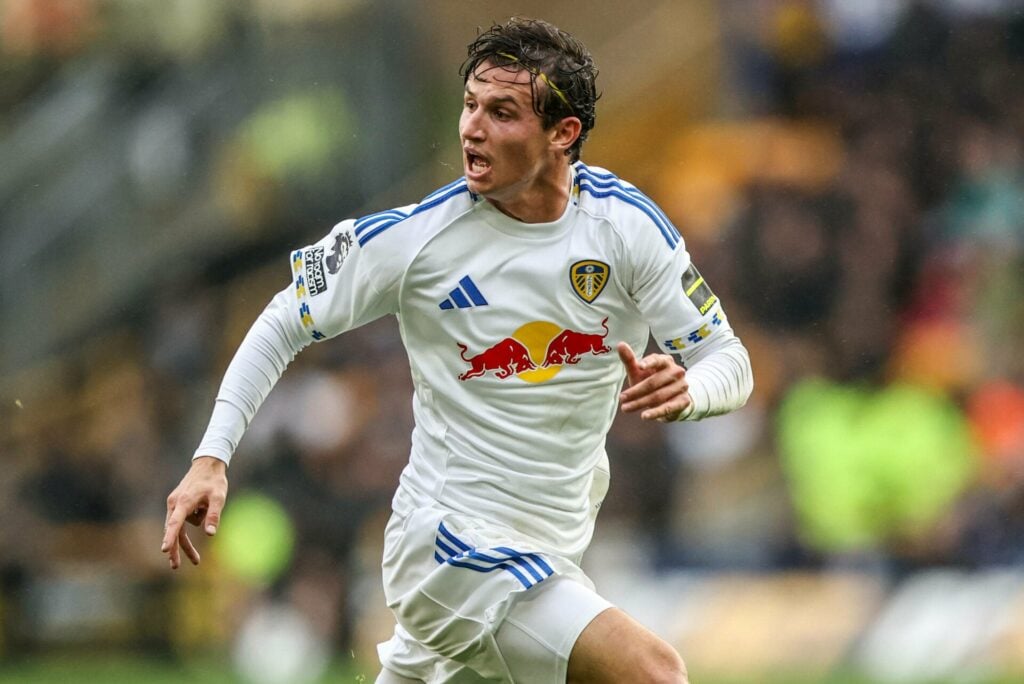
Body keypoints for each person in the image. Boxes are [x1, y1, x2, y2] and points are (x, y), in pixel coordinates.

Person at [162, 17, 752, 684]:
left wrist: (691, 391)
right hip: (447, 548)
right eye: (470, 104)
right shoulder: (419, 239)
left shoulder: (626, 228)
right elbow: (283, 320)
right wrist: (211, 458)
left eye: (501, 112)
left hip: (549, 550)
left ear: (563, 134)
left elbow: (728, 359)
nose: (472, 127)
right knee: (653, 673)